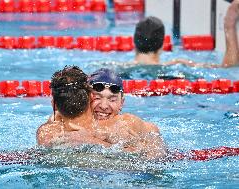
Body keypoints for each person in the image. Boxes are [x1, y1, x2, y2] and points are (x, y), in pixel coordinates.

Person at [37, 66, 168, 160]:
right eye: (97, 98)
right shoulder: (56, 124)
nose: (104, 106)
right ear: (88, 99)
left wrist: (92, 140)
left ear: (122, 103)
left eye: (112, 99)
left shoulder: (126, 125)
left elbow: (156, 152)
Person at [133, 3, 239, 68]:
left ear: (134, 44)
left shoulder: (119, 68)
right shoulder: (178, 64)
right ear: (162, 46)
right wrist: (229, 25)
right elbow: (227, 67)